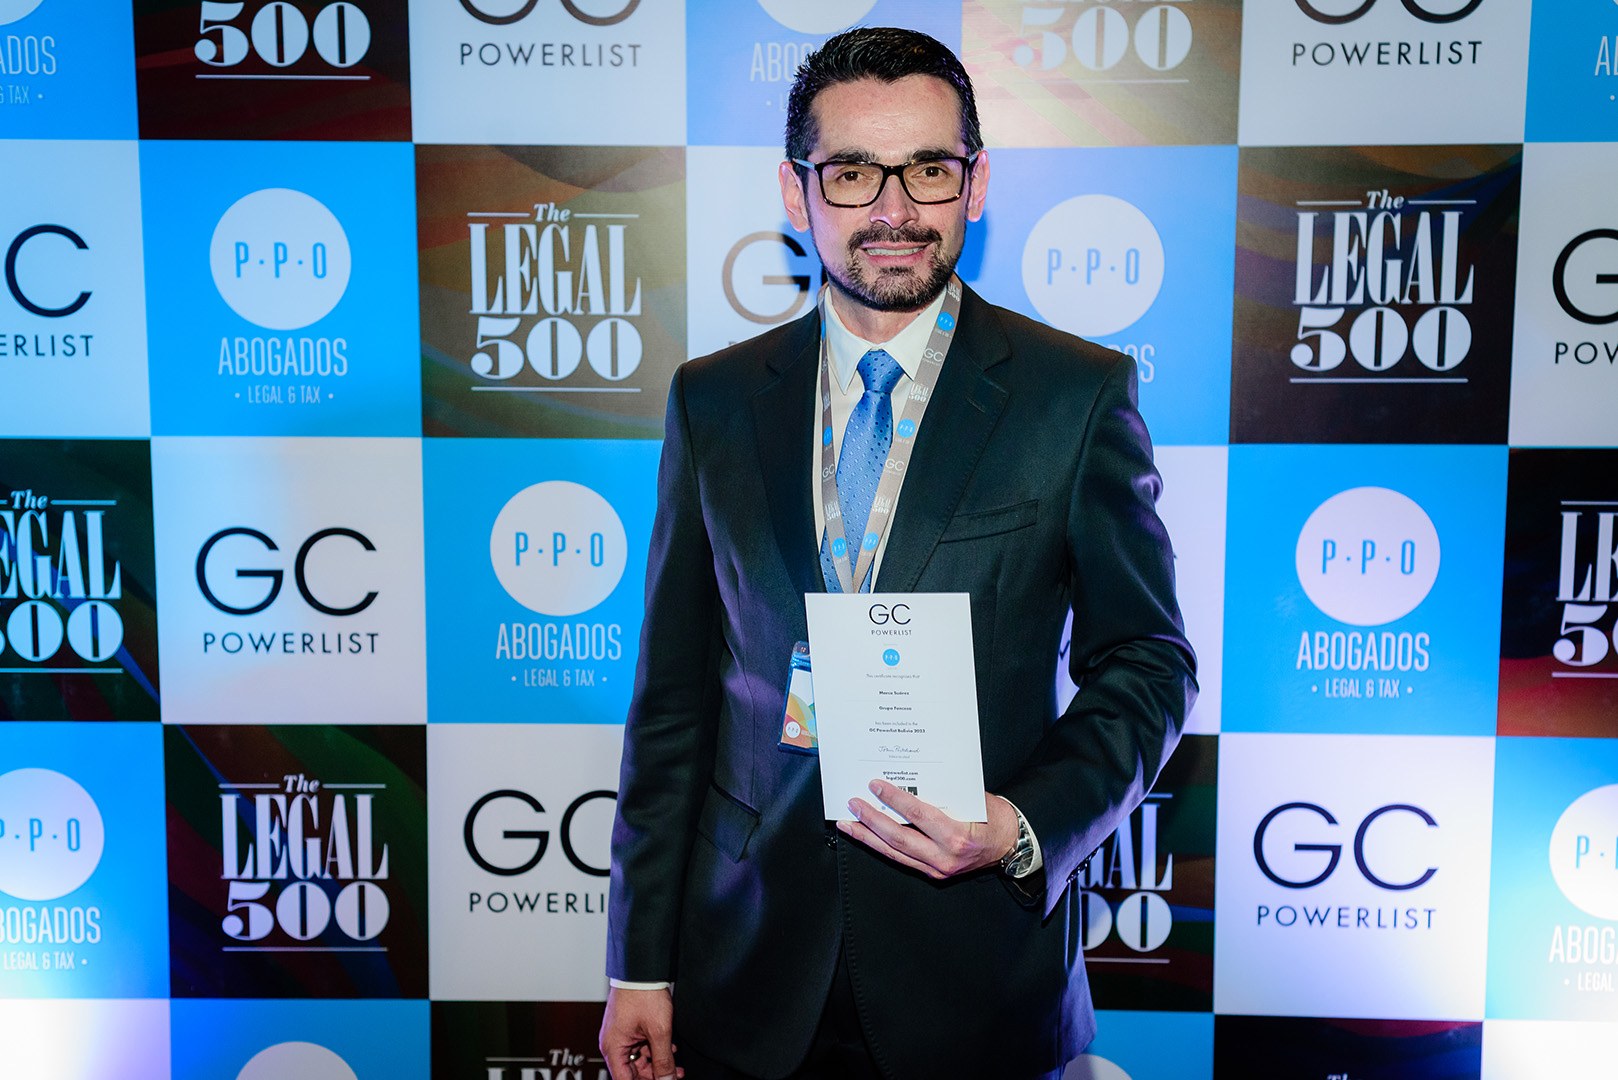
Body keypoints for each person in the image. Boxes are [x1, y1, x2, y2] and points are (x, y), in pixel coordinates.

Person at [600, 26, 1195, 1080]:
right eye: (851, 173)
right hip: (746, 967)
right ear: (797, 193)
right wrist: (638, 966)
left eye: (927, 169)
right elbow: (674, 704)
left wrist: (1021, 825)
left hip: (978, 971)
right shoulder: (714, 400)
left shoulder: (1074, 396)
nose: (892, 209)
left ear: (976, 184)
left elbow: (1148, 663)